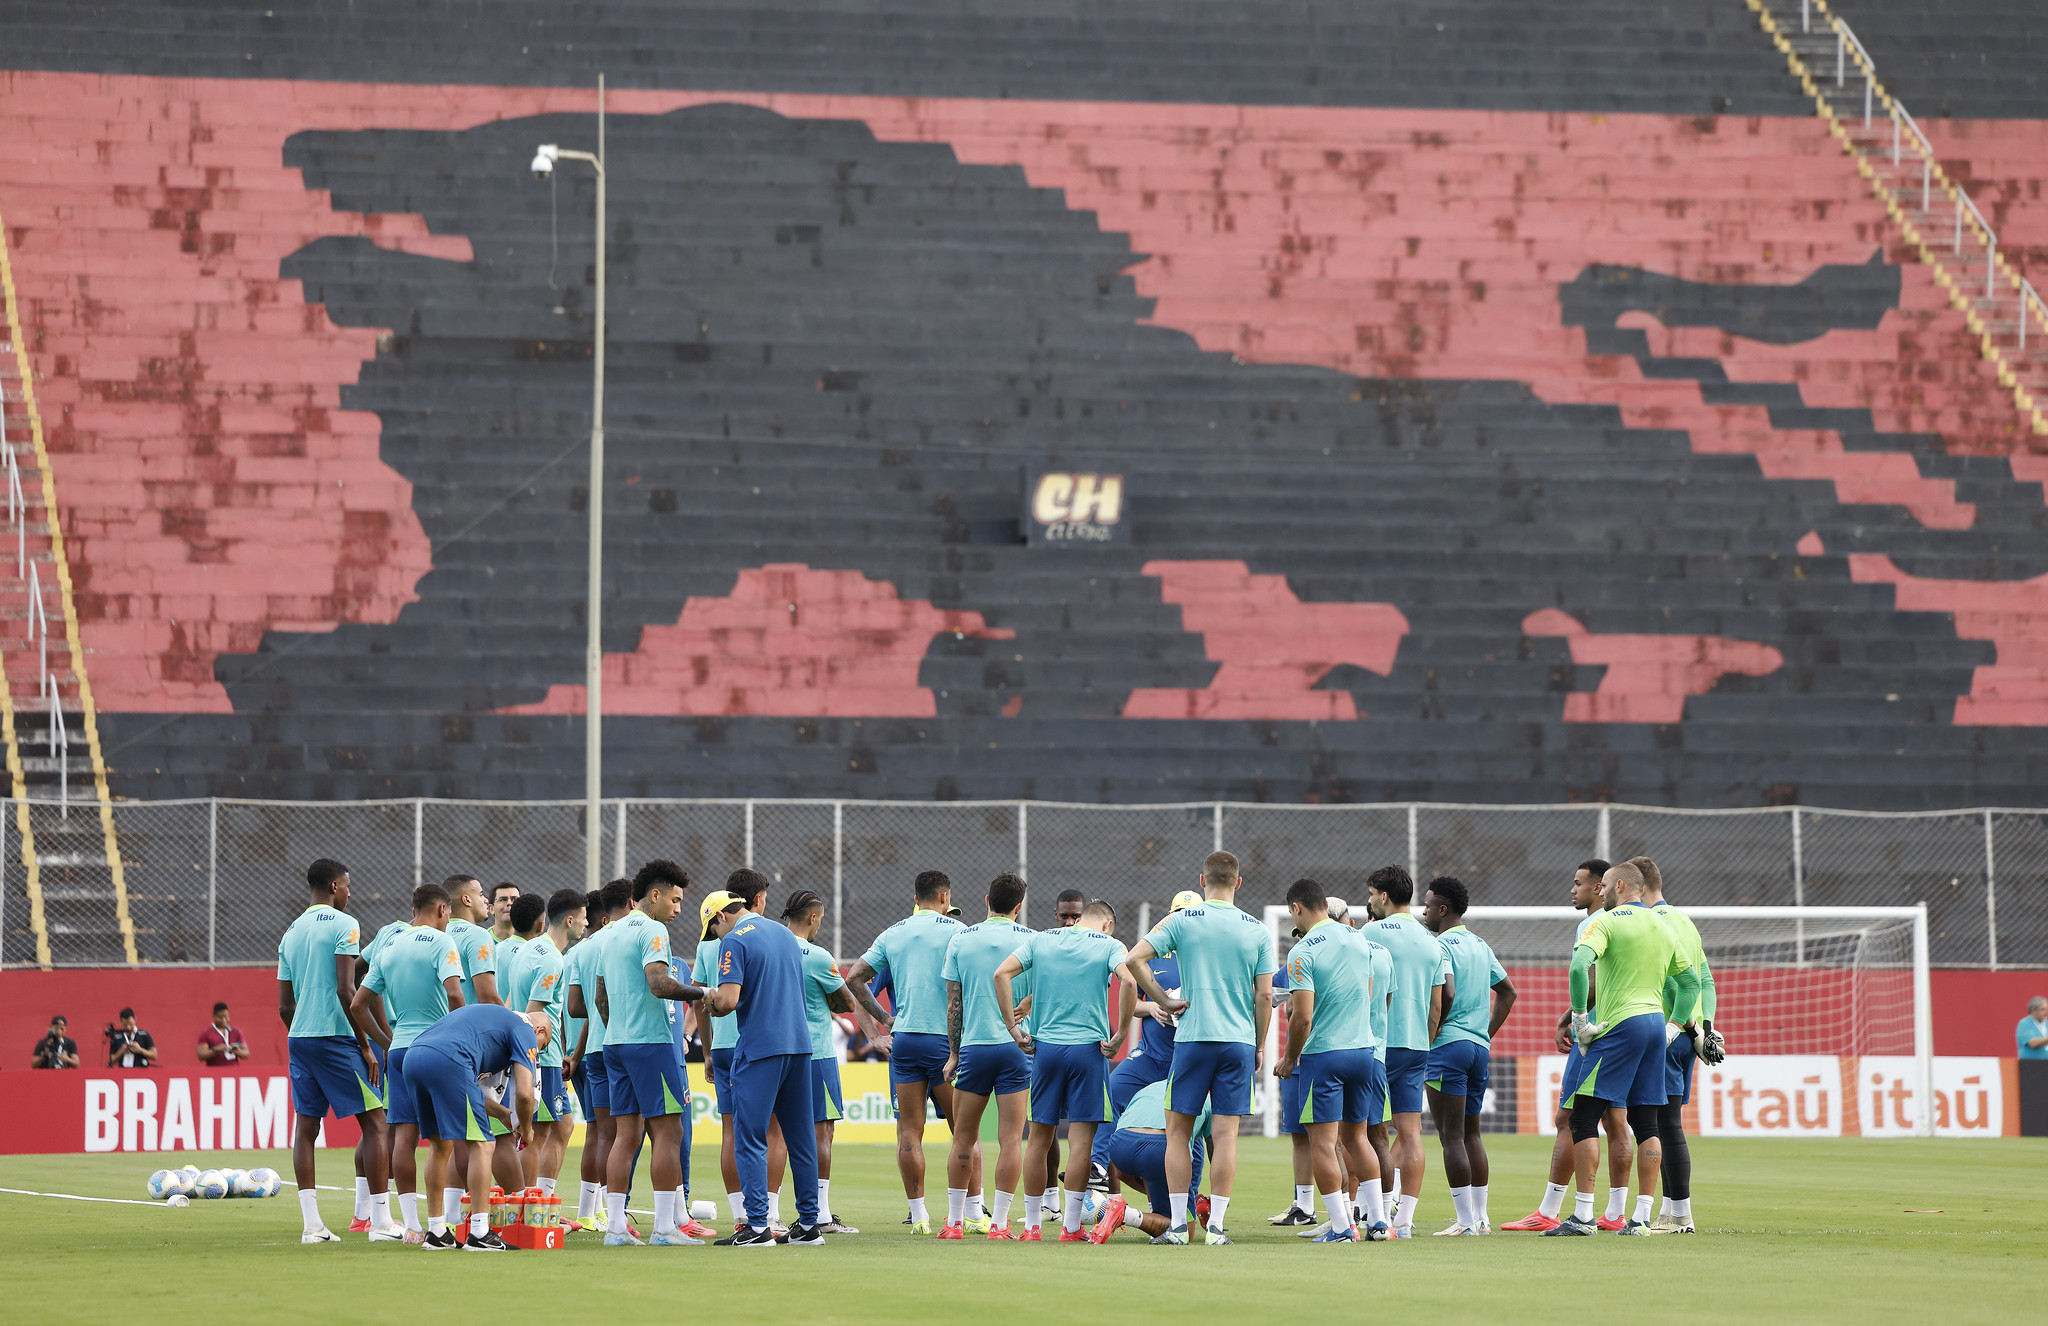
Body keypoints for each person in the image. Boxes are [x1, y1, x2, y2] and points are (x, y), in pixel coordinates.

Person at [1120, 849, 1275, 1246]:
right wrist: (1258, 1045)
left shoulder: (1182, 919)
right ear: (1238, 882)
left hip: (1192, 1040)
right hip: (1237, 1041)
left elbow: (1135, 959)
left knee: (1178, 1134)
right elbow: (1264, 996)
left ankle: (1177, 1227)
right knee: (1225, 1137)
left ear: (1202, 880)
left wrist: (1162, 1000)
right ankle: (1216, 1229)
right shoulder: (1257, 929)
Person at [1545, 861, 1702, 1237]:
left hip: (1618, 1026)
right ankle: (1641, 1218)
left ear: (1618, 886)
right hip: (1654, 1026)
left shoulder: (1606, 922)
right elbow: (1690, 983)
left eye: (1603, 885)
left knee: (1582, 1118)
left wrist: (1579, 1019)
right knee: (1646, 1122)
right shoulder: (1663, 925)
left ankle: (1583, 1216)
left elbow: (1579, 967)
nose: (1600, 892)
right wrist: (1673, 1026)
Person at [1502, 859, 1639, 1233]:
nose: (1572, 890)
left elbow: (1590, 979)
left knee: (1569, 1118)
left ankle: (1551, 1210)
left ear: (1599, 888)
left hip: (1594, 1033)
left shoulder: (1595, 923)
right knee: (1616, 1120)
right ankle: (1616, 1213)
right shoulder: (1630, 923)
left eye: (1578, 884)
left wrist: (1571, 1017)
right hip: (1628, 1027)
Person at [996, 898, 1131, 1242]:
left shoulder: (1041, 939)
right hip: (1089, 1051)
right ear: (1106, 925)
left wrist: (1013, 1028)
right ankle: (1070, 1228)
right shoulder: (1110, 945)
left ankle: (1031, 1227)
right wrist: (1121, 1034)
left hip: (1046, 1049)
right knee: (1081, 1141)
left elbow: (1001, 974)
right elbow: (1129, 983)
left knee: (1038, 1139)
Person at [277, 857, 396, 1244]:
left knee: (306, 1128)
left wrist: (304, 1033)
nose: (349, 892)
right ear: (333, 887)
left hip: (300, 1038)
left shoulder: (290, 932)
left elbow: (284, 1006)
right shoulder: (345, 924)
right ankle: (381, 1222)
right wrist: (366, 1045)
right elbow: (348, 990)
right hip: (336, 1037)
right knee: (376, 1123)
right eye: (347, 885)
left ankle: (312, 1226)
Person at [842, 871, 969, 1236]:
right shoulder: (960, 932)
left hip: (905, 1041)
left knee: (909, 1132)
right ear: (945, 897)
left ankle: (919, 1215)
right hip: (945, 1042)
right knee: (964, 1131)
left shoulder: (893, 933)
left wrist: (883, 1024)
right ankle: (969, 1212)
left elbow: (853, 979)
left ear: (916, 898)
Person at [596, 859, 708, 1247]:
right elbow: (659, 984)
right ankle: (664, 1228)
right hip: (650, 1042)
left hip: (615, 1043)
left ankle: (615, 1229)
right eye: (675, 901)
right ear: (654, 895)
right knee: (669, 1131)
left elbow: (600, 997)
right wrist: (704, 993)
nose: (678, 909)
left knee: (625, 1135)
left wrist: (619, 1028)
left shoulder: (609, 933)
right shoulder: (653, 930)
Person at [711, 878, 825, 1247]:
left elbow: (728, 1000)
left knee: (749, 1137)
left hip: (760, 1047)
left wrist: (710, 1000)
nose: (716, 936)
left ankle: (758, 1226)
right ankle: (809, 1226)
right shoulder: (784, 934)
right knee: (801, 1138)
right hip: (799, 1045)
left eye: (713, 929)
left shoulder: (734, 940)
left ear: (720, 917)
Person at [1274, 880, 1389, 1243]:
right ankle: (1379, 1223)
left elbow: (1302, 1017)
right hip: (1364, 1051)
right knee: (1358, 1139)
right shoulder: (1359, 939)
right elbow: (1370, 996)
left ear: (1296, 908)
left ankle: (1341, 1227)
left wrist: (1290, 1058)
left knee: (1322, 1144)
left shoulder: (1302, 951)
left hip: (1325, 1054)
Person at [350, 881, 464, 1246]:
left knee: (403, 1136)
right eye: (448, 914)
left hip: (400, 1050)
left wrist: (387, 1042)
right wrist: (462, 1039)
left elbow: (357, 1004)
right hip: (436, 1048)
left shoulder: (390, 945)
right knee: (445, 1139)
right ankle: (442, 1224)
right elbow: (455, 995)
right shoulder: (443, 942)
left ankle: (412, 1226)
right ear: (443, 910)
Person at [401, 1002, 550, 1253]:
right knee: (483, 1144)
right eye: (541, 1048)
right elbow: (525, 1094)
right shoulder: (525, 1028)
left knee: (439, 1146)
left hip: (414, 1056)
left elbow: (468, 1092)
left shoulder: (495, 1022)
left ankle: (436, 1232)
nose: (536, 1053)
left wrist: (504, 1115)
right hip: (449, 1058)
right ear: (540, 1031)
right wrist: (526, 1128)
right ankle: (480, 1233)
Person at [785, 888, 892, 1236]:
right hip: (816, 1053)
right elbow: (846, 1002)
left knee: (775, 1134)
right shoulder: (818, 956)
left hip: (777, 1052)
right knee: (822, 1132)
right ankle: (819, 1214)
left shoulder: (769, 949)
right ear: (814, 917)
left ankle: (766, 1215)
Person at [941, 871, 1037, 1239]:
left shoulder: (961, 938)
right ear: (1019, 906)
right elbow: (1047, 987)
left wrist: (953, 1053)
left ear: (986, 900)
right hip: (1016, 1047)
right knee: (1011, 1139)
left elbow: (954, 1004)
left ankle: (954, 1223)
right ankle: (998, 1224)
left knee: (963, 1138)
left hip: (975, 1047)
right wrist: (1028, 1003)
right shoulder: (1033, 939)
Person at [1420, 875, 1514, 1236]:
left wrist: (1435, 1031)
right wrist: (1484, 1033)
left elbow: (1447, 993)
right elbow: (1508, 992)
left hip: (1448, 1047)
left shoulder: (1440, 946)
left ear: (1442, 909)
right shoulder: (1479, 944)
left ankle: (1464, 1222)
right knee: (1472, 1134)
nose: (1424, 911)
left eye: (1428, 905)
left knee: (1451, 1136)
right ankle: (1481, 1218)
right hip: (1478, 1049)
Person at [1360, 863, 1449, 1238]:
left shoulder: (1370, 933)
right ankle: (1405, 1220)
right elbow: (1437, 1006)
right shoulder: (1432, 940)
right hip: (1416, 1045)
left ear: (1383, 896)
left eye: (1370, 895)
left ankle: (1371, 1214)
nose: (1369, 901)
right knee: (1411, 1133)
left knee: (1368, 1134)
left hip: (1378, 1045)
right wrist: (1425, 1042)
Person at [696, 876, 788, 1236]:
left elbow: (700, 1001)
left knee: (731, 1132)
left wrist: (706, 1051)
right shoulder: (768, 934)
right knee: (773, 1131)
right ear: (757, 899)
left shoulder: (711, 942)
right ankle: (770, 1216)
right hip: (759, 1042)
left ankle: (741, 1217)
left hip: (721, 1046)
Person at [1093, 888, 1197, 1200]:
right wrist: (1151, 1006)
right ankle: (1098, 1168)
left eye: (1189, 915)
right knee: (1109, 1093)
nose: (1183, 921)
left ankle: (1192, 1200)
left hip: (1190, 1059)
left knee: (1197, 1130)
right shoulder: (1152, 954)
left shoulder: (1207, 956)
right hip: (1151, 1056)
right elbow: (1130, 1003)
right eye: (1178, 914)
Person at [1637, 855, 1720, 1234]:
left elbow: (1673, 980)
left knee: (1664, 1124)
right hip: (1690, 1036)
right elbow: (1705, 978)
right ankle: (1670, 1211)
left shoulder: (1653, 922)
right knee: (1667, 1121)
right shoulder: (1684, 920)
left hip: (1670, 1030)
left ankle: (1681, 1215)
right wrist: (1706, 1028)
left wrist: (1684, 1022)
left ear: (1638, 886)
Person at [501, 889, 586, 1194]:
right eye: (584, 917)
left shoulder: (528, 949)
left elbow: (510, 1003)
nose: (586, 924)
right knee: (535, 1135)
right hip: (540, 1059)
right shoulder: (551, 960)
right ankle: (527, 1204)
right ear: (570, 920)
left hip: (538, 1056)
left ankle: (541, 1200)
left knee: (564, 1126)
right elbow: (533, 1016)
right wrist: (528, 1057)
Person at [567, 879, 633, 1232]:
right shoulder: (626, 937)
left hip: (591, 1048)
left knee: (599, 1132)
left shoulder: (579, 950)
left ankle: (593, 1212)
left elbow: (576, 1007)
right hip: (626, 1044)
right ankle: (620, 1214)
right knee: (638, 1132)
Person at [1090, 1078, 1210, 1244]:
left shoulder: (1152, 1086)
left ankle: (1154, 1213)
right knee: (1184, 1231)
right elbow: (1217, 1152)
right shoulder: (1207, 1097)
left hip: (1120, 1146)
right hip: (1158, 1148)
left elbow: (1119, 1173)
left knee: (1150, 1174)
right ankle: (1126, 1214)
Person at [484, 892, 549, 1192]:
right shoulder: (537, 953)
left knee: (483, 1135)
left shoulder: (493, 948)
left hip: (488, 1043)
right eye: (502, 898)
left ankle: (469, 1206)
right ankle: (527, 1202)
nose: (508, 903)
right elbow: (525, 1012)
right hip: (520, 1048)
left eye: (512, 899)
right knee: (529, 1132)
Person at [562, 888, 612, 1228]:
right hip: (593, 1048)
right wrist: (576, 1053)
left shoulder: (570, 955)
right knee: (604, 1132)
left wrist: (567, 1052)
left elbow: (565, 1008)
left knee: (596, 1129)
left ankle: (594, 1209)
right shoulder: (605, 948)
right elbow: (592, 1010)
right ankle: (593, 1211)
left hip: (573, 1053)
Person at [444, 875, 502, 1008]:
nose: (486, 900)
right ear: (467, 900)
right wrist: (514, 1019)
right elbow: (488, 999)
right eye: (481, 894)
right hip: (470, 1020)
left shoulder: (438, 933)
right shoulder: (477, 935)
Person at [488, 881, 522, 947]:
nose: (509, 903)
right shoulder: (482, 941)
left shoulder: (530, 943)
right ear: (492, 909)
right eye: (503, 899)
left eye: (514, 899)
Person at [2020, 996, 2048, 1060]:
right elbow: (2032, 1043)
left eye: (2046, 1009)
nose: (2046, 1013)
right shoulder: (2025, 1023)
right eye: (2042, 1009)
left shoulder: (2046, 1024)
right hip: (2031, 1063)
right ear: (2033, 1010)